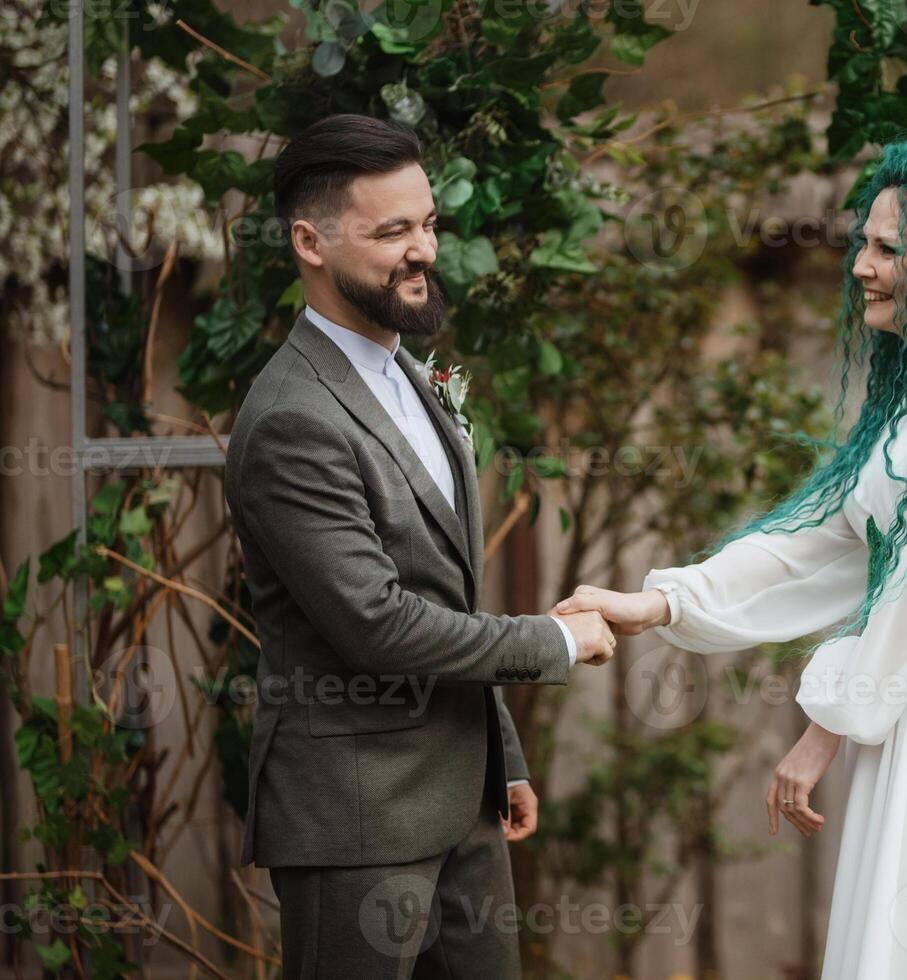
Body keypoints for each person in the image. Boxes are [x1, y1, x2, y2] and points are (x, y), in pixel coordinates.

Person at [554, 136, 907, 978]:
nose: (861, 267)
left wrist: (824, 730)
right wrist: (661, 602)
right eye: (863, 244)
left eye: (888, 248)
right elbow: (815, 547)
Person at [223, 113, 615, 980]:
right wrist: (549, 640)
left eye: (428, 223)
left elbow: (441, 589)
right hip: (356, 817)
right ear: (309, 242)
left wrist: (500, 755)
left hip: (463, 803)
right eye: (391, 230)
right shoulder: (293, 418)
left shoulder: (408, 372)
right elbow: (377, 623)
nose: (423, 250)